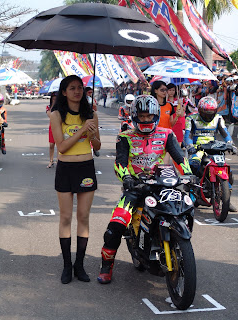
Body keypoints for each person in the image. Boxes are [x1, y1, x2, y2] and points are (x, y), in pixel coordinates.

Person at [97, 95, 193, 284]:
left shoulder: (167, 134)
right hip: (135, 188)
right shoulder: (125, 136)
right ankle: (106, 267)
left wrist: (188, 175)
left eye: (149, 116)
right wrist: (126, 178)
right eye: (142, 116)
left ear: (156, 116)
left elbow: (179, 158)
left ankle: (177, 249)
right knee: (116, 226)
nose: (146, 120)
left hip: (162, 185)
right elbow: (120, 163)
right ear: (134, 116)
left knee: (184, 210)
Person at [50, 75, 101, 284]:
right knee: (65, 218)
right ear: (64, 92)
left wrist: (92, 135)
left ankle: (79, 265)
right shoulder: (56, 115)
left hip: (86, 167)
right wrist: (81, 129)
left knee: (83, 217)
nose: (77, 91)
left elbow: (97, 147)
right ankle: (66, 265)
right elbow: (61, 147)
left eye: (80, 88)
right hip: (65, 168)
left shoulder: (92, 114)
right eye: (72, 88)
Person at [184, 96, 237, 212]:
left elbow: (225, 133)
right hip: (198, 149)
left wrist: (230, 144)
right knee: (193, 164)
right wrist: (190, 146)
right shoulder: (191, 118)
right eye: (206, 113)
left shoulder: (218, 118)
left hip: (214, 147)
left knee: (227, 170)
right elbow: (187, 135)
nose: (208, 116)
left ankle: (226, 200)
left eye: (211, 113)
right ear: (200, 111)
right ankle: (193, 192)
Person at [85, 87, 99, 157]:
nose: (90, 94)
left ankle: (94, 149)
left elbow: (95, 109)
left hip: (91, 118)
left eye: (91, 93)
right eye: (89, 93)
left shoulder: (92, 100)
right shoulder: (83, 99)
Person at [46, 92, 57, 168]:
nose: (54, 99)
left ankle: (59, 160)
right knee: (51, 145)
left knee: (60, 145)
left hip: (60, 126)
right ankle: (51, 160)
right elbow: (50, 116)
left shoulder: (61, 107)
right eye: (53, 98)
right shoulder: (49, 107)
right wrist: (53, 105)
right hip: (52, 126)